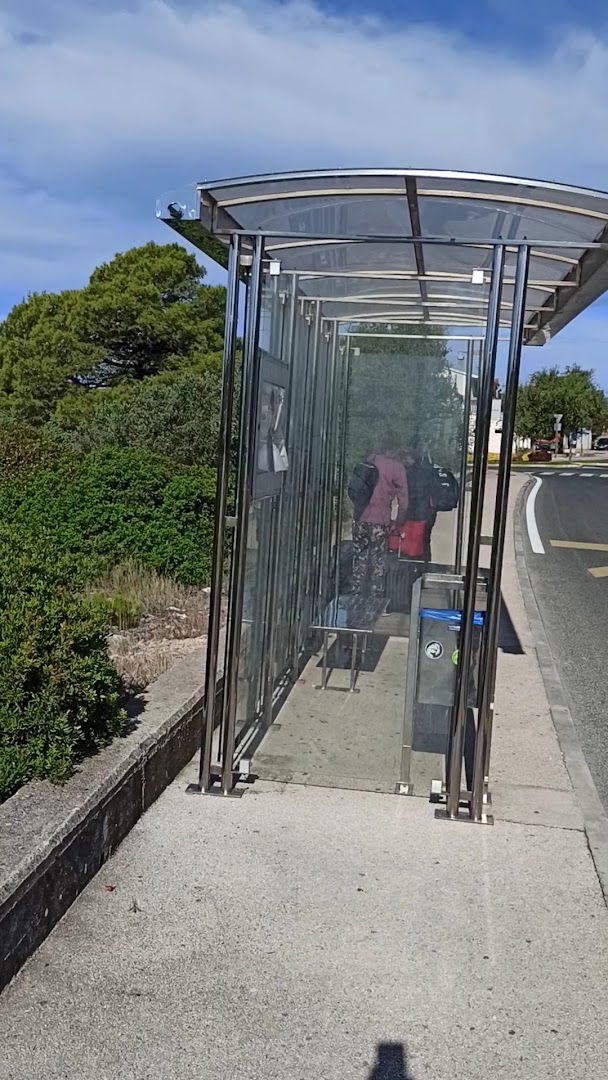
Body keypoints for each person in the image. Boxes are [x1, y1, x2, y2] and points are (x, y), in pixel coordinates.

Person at [352, 436, 408, 595]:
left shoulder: (369, 461)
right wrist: (398, 523)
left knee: (360, 558)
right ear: (395, 449)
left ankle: (355, 594)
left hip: (360, 517)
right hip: (380, 521)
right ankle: (375, 597)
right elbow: (404, 501)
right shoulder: (397, 468)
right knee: (378, 562)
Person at [402, 447, 437, 563]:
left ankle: (414, 564)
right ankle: (425, 565)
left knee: (414, 541)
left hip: (418, 513)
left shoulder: (412, 473)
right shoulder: (428, 469)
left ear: (412, 458)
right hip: (429, 511)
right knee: (425, 541)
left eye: (406, 458)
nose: (404, 461)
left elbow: (411, 495)